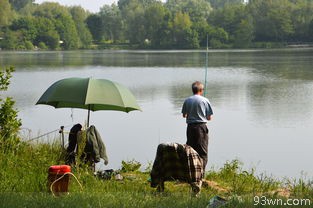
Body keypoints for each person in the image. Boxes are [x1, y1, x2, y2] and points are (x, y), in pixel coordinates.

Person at [181, 81, 213, 172]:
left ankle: (191, 173)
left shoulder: (187, 100)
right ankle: (201, 175)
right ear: (201, 90)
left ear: (193, 90)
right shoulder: (205, 100)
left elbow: (184, 115)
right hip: (201, 128)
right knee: (202, 151)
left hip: (190, 128)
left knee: (190, 150)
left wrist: (191, 115)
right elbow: (209, 118)